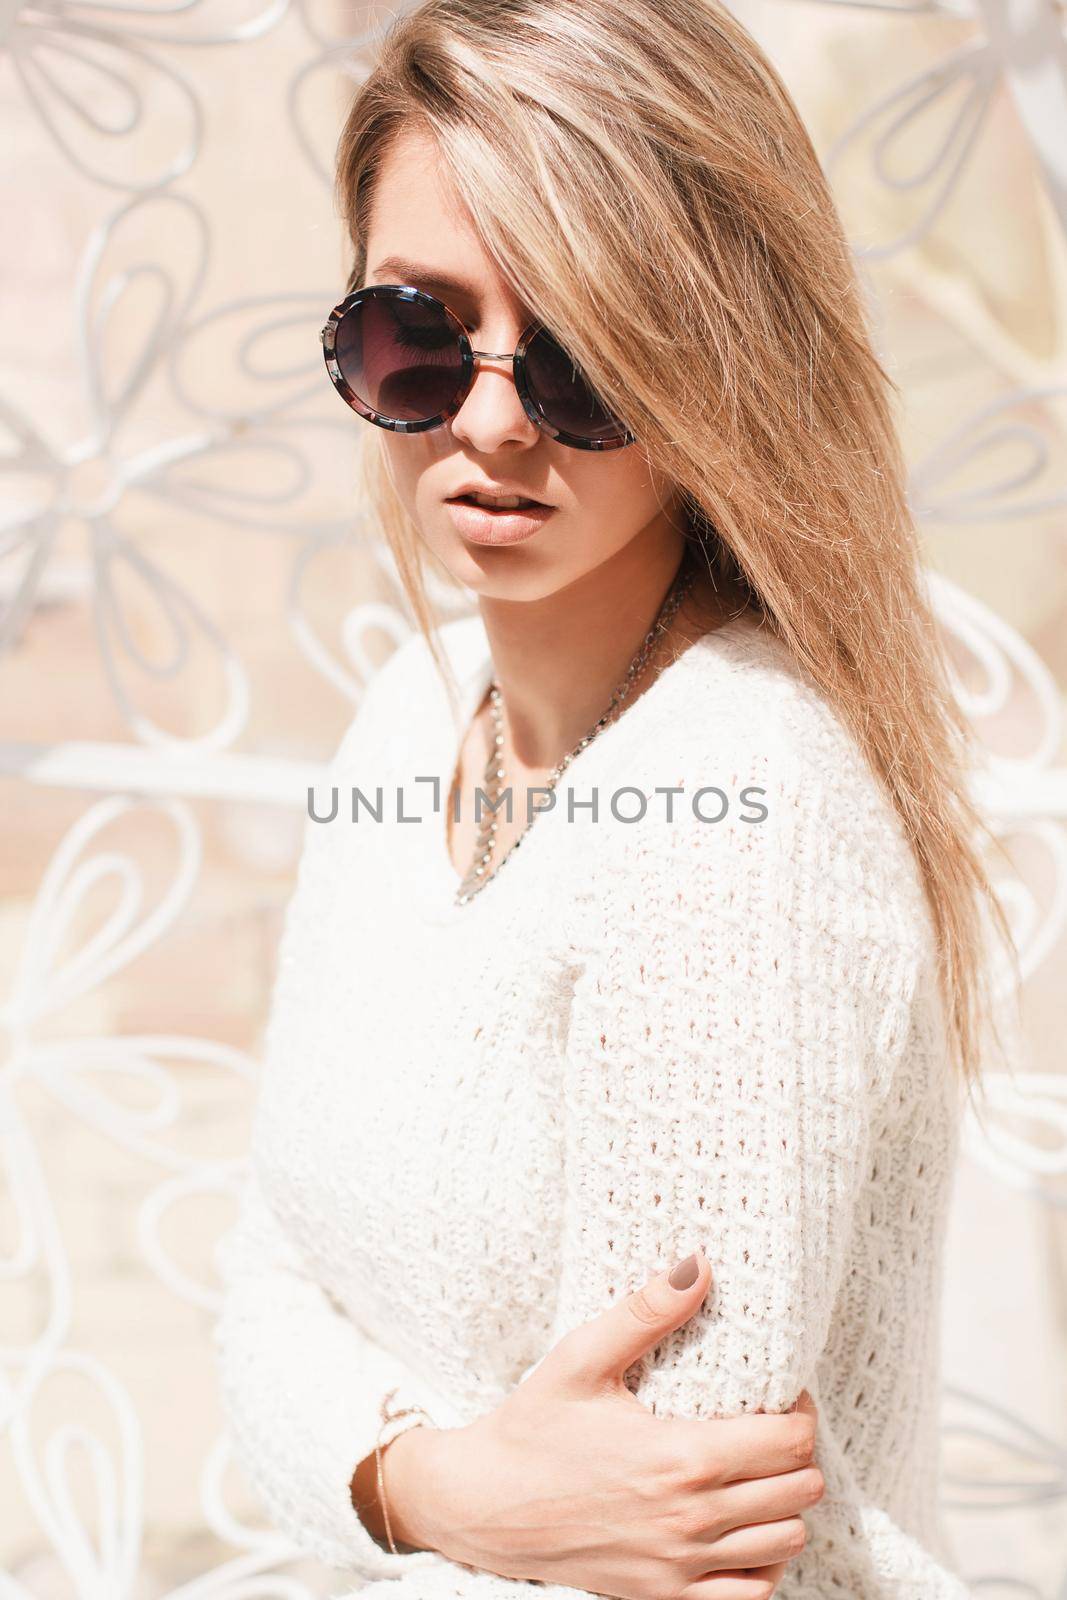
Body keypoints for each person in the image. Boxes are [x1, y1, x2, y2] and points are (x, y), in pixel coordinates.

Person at [211, 2, 1018, 1596]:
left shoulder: (740, 806)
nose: (490, 421)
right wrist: (434, 1485)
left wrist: (394, 1486)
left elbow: (662, 1553)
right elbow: (261, 1277)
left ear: (721, 366)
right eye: (416, 337)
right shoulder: (405, 722)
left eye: (583, 357)